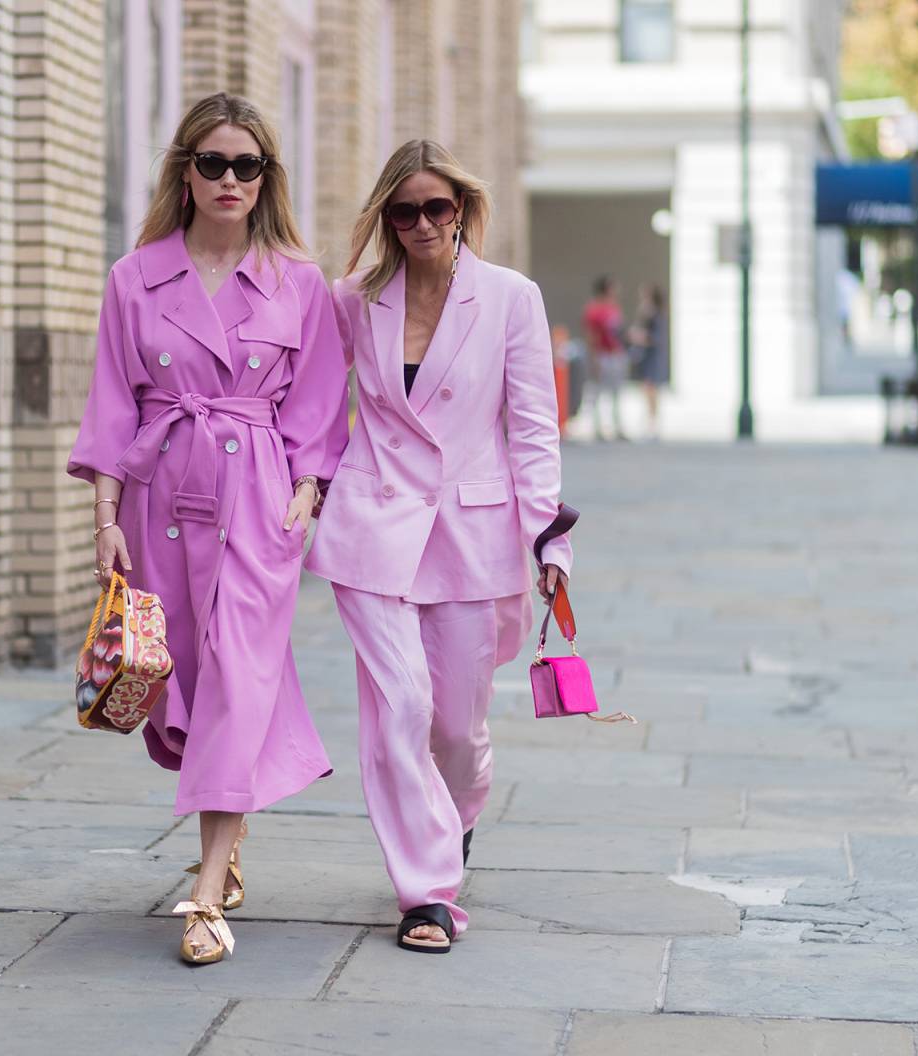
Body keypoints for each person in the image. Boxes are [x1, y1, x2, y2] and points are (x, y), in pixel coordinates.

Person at [67, 92, 348, 965]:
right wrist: (105, 518)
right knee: (180, 681)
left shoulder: (299, 283)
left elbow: (320, 407)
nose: (232, 180)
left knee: (240, 675)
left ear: (267, 180)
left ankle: (203, 894)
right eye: (215, 163)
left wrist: (307, 491)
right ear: (186, 174)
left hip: (259, 500)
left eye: (249, 166)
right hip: (161, 499)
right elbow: (114, 404)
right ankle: (223, 851)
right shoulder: (134, 277)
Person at [306, 140, 573, 954]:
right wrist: (304, 491)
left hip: (472, 531)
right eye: (404, 210)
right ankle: (425, 894)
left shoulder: (509, 298)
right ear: (386, 217)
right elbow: (319, 408)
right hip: (372, 528)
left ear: (462, 209)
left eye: (437, 208)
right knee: (400, 712)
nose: (422, 223)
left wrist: (549, 539)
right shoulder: (355, 298)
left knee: (456, 727)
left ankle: (450, 824)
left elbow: (531, 428)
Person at [581, 275, 628, 440]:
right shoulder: (594, 310)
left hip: (616, 354)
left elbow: (619, 332)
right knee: (598, 391)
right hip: (602, 355)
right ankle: (597, 427)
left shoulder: (614, 308)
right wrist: (594, 357)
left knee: (617, 392)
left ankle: (618, 426)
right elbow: (591, 335)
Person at [626, 282, 668, 440]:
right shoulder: (647, 314)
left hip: (653, 359)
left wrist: (639, 337)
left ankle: (653, 425)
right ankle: (650, 423)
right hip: (647, 359)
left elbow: (655, 338)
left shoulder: (656, 316)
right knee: (648, 392)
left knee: (652, 392)